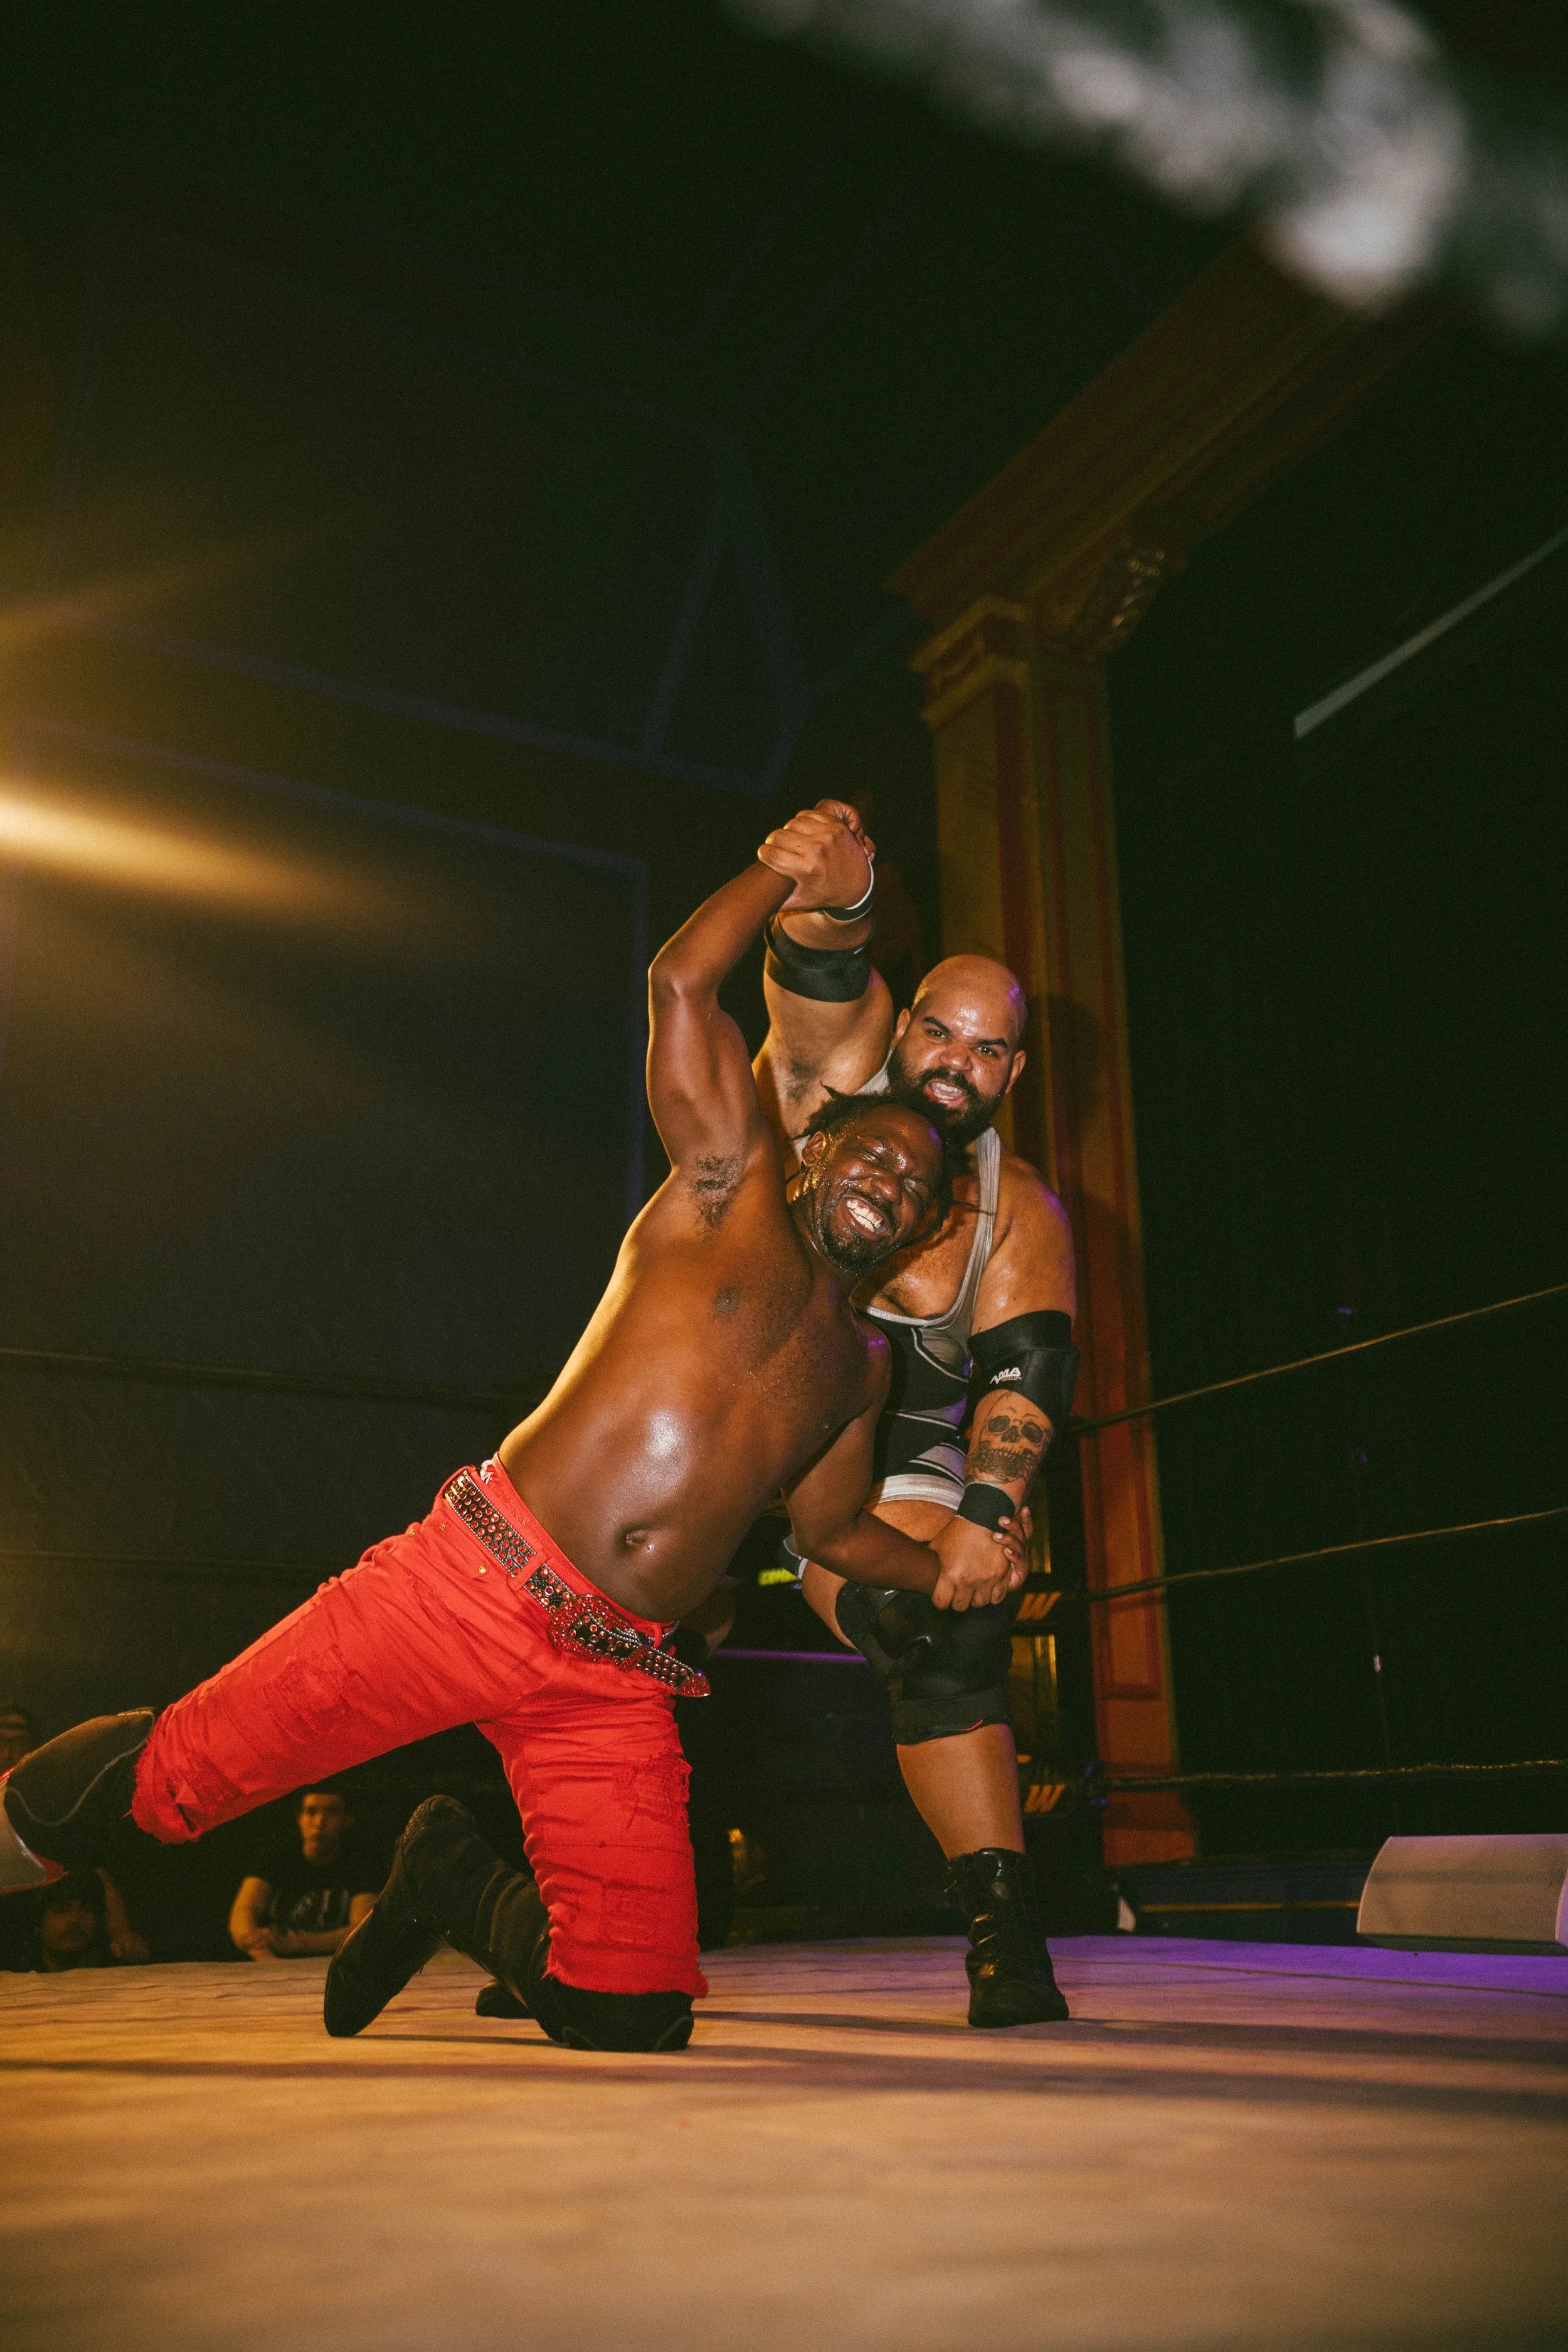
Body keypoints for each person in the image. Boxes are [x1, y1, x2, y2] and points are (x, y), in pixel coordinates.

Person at [0, 817, 1028, 2054]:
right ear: (817, 1151)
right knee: (178, 1780)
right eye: (873, 1151)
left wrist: (956, 1559)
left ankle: (444, 1873)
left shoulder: (860, 1370)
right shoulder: (725, 1180)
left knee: (634, 2010)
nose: (895, 1181)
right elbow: (679, 983)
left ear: (924, 1234)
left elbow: (833, 1532)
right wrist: (786, 872)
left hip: (614, 1677)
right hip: (470, 1585)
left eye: (921, 1188)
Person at [750, 800, 1079, 2027]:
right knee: (575, 1634)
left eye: (983, 1047)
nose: (950, 1059)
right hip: (711, 1429)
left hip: (873, 1480)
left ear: (1011, 1072)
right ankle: (522, 1899)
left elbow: (1027, 1372)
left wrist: (989, 1515)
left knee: (934, 1623)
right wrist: (839, 894)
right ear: (905, 1030)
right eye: (934, 1028)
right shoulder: (831, 1093)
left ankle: (1002, 1931)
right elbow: (813, 980)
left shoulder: (1014, 1212)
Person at [0, 1702, 150, 1963]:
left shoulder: (47, 1803)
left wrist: (122, 1935)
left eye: (19, 1742)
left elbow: (93, 1863)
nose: (6, 1752)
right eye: (0, 1741)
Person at [229, 1786, 379, 1963]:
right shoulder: (276, 1856)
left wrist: (298, 1943)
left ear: (347, 1820)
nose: (320, 1822)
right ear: (300, 1818)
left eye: (331, 1812)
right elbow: (245, 1910)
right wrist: (265, 1957)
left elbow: (361, 1930)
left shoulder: (361, 1863)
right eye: (311, 1812)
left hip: (331, 1967)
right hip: (268, 1961)